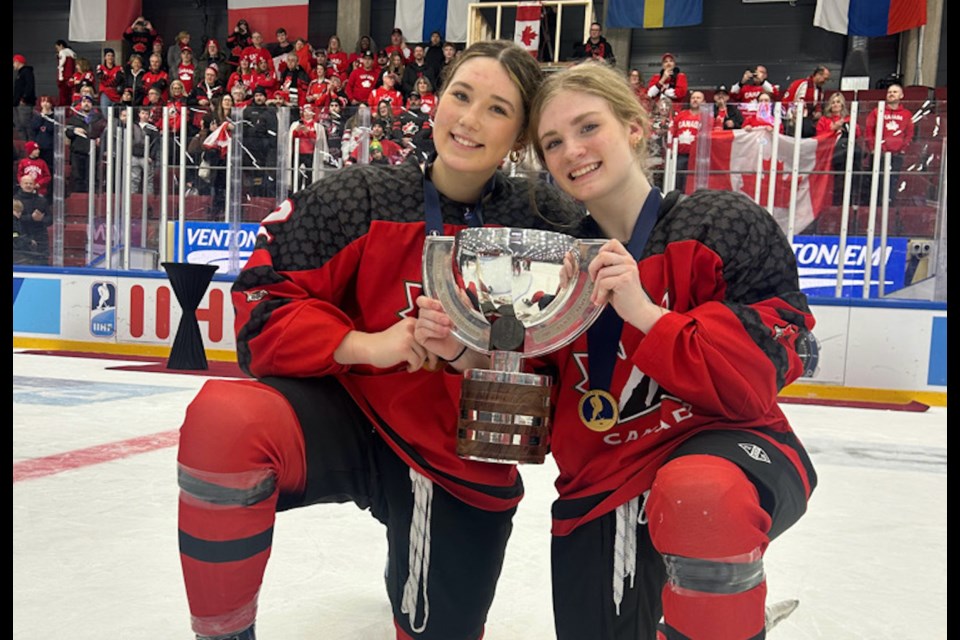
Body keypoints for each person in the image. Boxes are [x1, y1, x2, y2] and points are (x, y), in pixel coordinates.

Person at [175, 39, 584, 640]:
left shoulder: (548, 219)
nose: (470, 120)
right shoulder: (357, 198)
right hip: (348, 419)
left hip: (460, 450)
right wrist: (369, 345)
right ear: (436, 100)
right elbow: (261, 309)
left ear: (521, 133)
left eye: (498, 109)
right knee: (226, 420)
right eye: (461, 96)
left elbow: (571, 346)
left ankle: (414, 552)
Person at [420, 59, 818, 640]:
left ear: (633, 126)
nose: (572, 151)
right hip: (602, 484)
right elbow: (539, 392)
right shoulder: (555, 264)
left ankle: (718, 609)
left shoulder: (720, 223)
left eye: (588, 127)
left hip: (729, 448)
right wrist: (463, 353)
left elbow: (755, 377)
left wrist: (643, 313)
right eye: (553, 142)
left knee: (700, 498)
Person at [863, 82, 914, 205]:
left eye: (895, 92)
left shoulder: (907, 114)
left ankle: (889, 207)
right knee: (877, 183)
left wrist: (903, 149)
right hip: (879, 155)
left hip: (896, 155)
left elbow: (910, 133)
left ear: (901, 95)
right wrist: (873, 148)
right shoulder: (877, 112)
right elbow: (869, 130)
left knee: (892, 182)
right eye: (889, 92)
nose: (891, 94)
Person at [816, 91, 863, 206]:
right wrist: (832, 129)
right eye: (833, 102)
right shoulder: (824, 120)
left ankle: (850, 201)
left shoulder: (848, 119)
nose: (836, 104)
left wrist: (847, 126)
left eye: (838, 102)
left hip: (846, 155)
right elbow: (819, 137)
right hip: (829, 154)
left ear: (842, 105)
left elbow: (857, 134)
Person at [65, 95, 106, 193]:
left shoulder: (99, 118)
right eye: (84, 102)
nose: (86, 104)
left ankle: (91, 196)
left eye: (88, 102)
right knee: (78, 176)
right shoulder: (74, 118)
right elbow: (68, 133)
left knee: (91, 175)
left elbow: (104, 132)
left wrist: (99, 138)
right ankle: (79, 197)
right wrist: (75, 130)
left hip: (92, 151)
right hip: (78, 151)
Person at [669, 89, 706, 193]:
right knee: (678, 181)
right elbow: (673, 131)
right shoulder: (681, 115)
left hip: (697, 156)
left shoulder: (706, 117)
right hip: (680, 154)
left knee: (691, 182)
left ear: (703, 102)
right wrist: (671, 148)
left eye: (698, 98)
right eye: (693, 98)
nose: (695, 100)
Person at [13, 174, 52, 264]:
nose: (28, 185)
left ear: (34, 185)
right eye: (26, 183)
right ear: (21, 184)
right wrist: (31, 218)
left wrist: (41, 219)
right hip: (22, 238)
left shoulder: (42, 200)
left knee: (42, 264)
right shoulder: (15, 201)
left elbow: (50, 219)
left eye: (31, 183)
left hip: (40, 237)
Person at [13, 54, 37, 140]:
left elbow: (29, 86)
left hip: (24, 104)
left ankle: (31, 144)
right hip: (17, 103)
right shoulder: (20, 74)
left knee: (26, 125)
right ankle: (25, 145)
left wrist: (24, 98)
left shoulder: (27, 72)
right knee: (19, 126)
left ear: (18, 62)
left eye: (14, 62)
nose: (13, 65)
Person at [55, 40, 77, 107]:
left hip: (64, 78)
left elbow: (62, 63)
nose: (57, 50)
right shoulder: (72, 54)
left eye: (57, 48)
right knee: (69, 96)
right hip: (71, 77)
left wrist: (59, 68)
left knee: (63, 97)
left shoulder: (62, 52)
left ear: (61, 45)